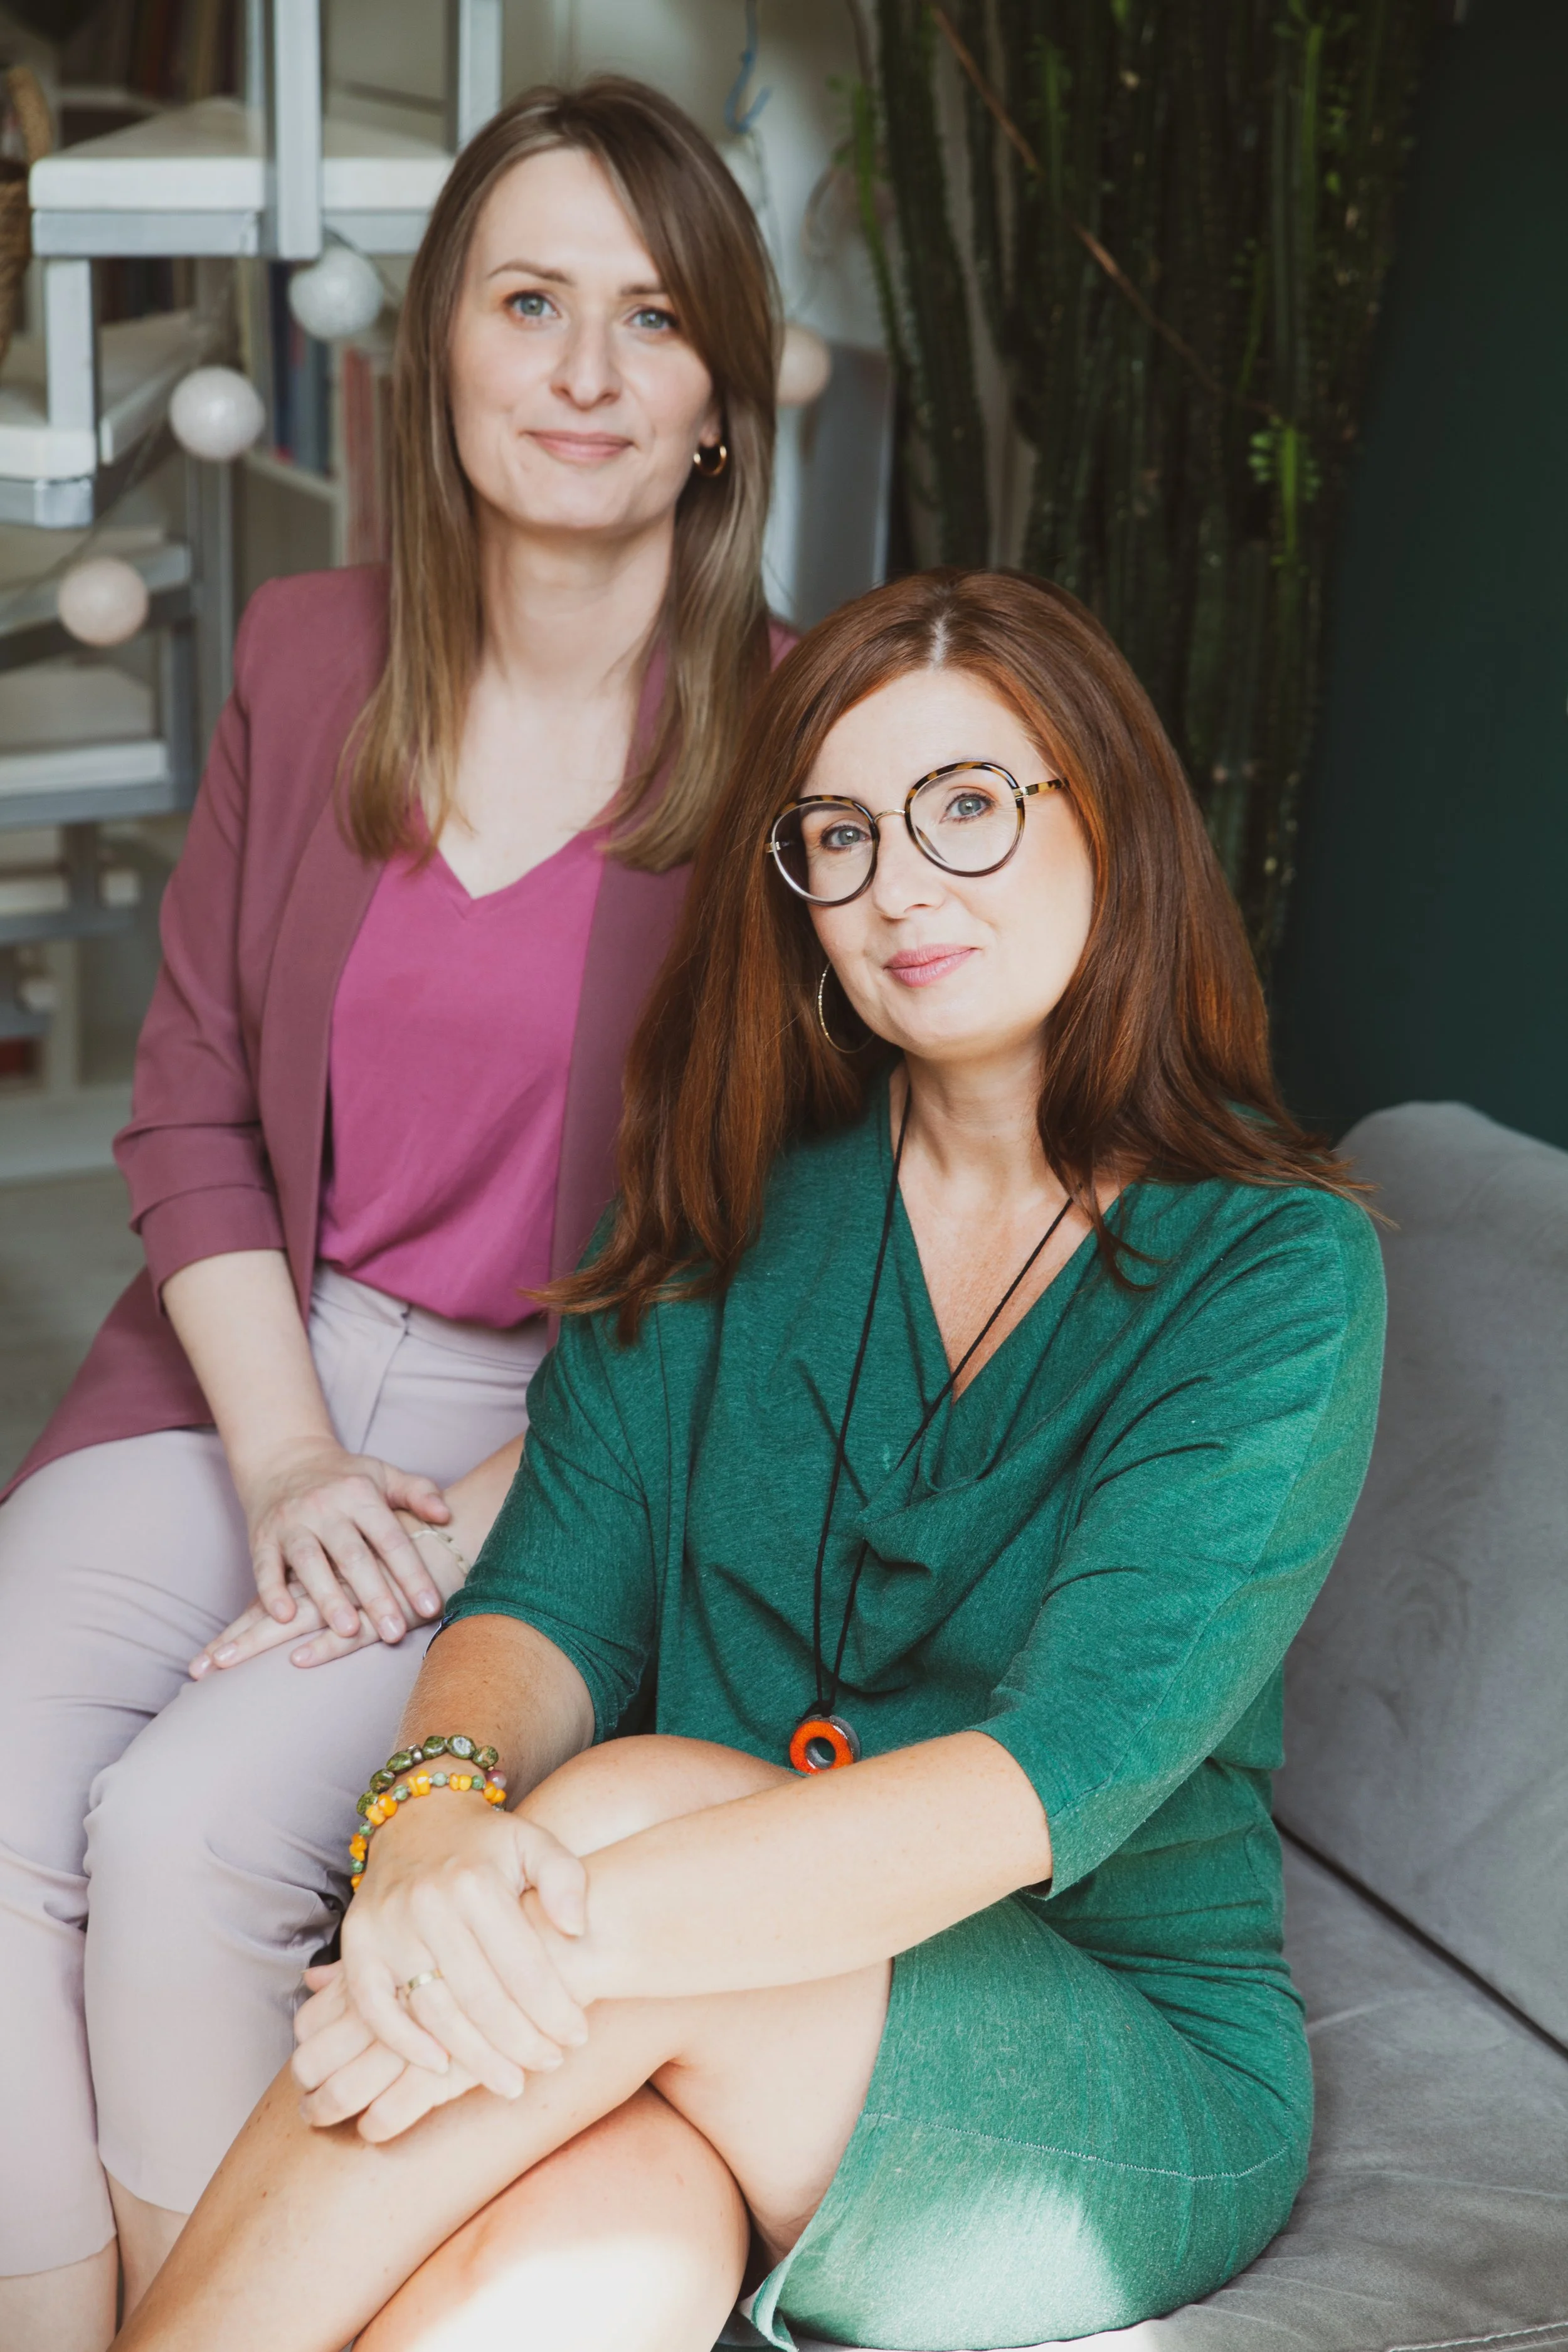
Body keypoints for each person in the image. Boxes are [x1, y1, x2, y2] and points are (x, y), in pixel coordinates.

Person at [116, 568, 1386, 2352]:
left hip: (1094, 2047)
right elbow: (550, 1589)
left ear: (1108, 814)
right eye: (840, 835)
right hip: (703, 1993)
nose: (902, 885)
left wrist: (516, 1930)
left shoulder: (1271, 1268)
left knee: (636, 1790)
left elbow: (1047, 1774)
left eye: (964, 805)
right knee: (597, 2256)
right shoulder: (735, 1200)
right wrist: (426, 1836)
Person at [0, 75, 790, 2352]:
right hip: (237, 1359)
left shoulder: (787, 738)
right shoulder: (309, 654)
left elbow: (768, 1261)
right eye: (529, 302)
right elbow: (187, 1107)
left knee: (189, 1845)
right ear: (434, 345)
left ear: (720, 395)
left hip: (560, 1444)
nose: (579, 374)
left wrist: (455, 1516)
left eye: (649, 322)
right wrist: (288, 1463)